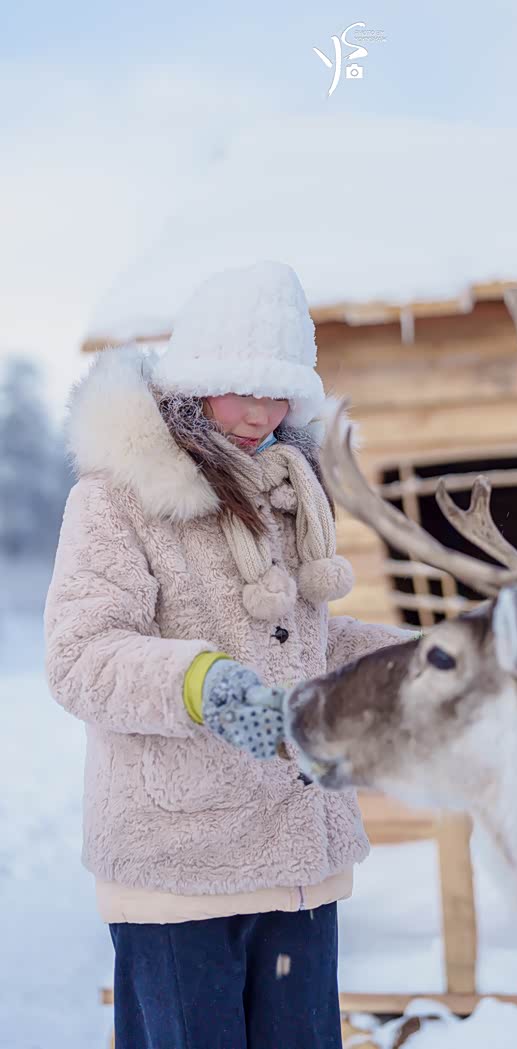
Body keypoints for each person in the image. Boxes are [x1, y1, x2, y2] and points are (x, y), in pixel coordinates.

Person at [44, 261, 416, 1049]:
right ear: (195, 378)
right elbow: (80, 654)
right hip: (179, 872)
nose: (259, 412)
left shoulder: (288, 489)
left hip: (299, 865)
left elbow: (310, 650)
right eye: (241, 388)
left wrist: (426, 660)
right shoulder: (116, 495)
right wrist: (201, 683)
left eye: (279, 393)